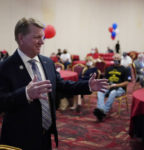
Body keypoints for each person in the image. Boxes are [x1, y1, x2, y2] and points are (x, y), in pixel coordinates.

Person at [0, 17, 108, 150]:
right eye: (37, 37)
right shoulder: (5, 67)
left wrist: (87, 86)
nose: (42, 42)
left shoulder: (47, 62)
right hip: (19, 139)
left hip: (46, 135)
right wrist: (26, 94)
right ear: (21, 38)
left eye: (43, 37)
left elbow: (62, 85)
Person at [93, 53, 129, 122]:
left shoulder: (124, 69)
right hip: (109, 86)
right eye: (115, 58)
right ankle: (101, 111)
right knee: (100, 91)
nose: (116, 60)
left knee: (113, 92)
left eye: (117, 58)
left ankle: (103, 112)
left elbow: (126, 82)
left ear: (120, 59)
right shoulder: (109, 68)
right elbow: (105, 79)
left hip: (119, 88)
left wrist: (115, 85)